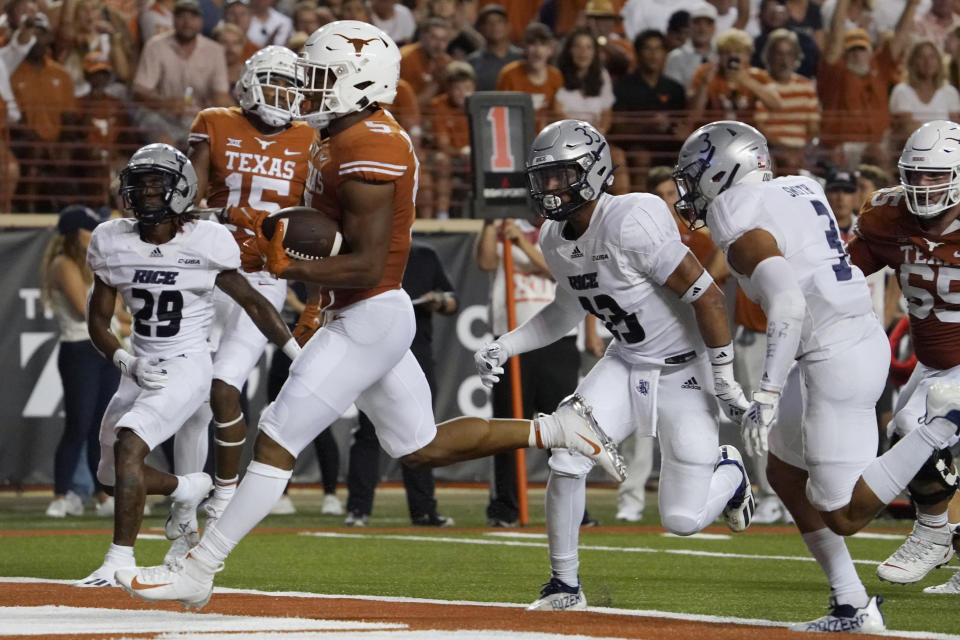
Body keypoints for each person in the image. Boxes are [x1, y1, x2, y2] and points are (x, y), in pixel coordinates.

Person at [115, 21, 625, 609]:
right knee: (421, 447)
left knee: (277, 437)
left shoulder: (371, 145)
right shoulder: (338, 134)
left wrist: (283, 268)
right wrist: (304, 290)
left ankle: (200, 569)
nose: (309, 86)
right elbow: (331, 246)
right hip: (357, 312)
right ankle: (560, 429)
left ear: (360, 81)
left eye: (322, 76)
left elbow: (364, 264)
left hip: (370, 312)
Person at [672, 120, 960, 631]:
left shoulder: (734, 211)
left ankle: (942, 426)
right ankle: (851, 604)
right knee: (784, 474)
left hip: (836, 353)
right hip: (837, 340)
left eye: (696, 175)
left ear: (727, 170)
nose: (690, 188)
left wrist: (767, 390)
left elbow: (787, 304)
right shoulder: (798, 184)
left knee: (844, 513)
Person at [476, 119, 756, 610]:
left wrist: (725, 377)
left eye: (560, 175)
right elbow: (566, 310)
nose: (549, 188)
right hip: (625, 362)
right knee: (566, 456)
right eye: (543, 177)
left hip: (683, 370)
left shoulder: (633, 218)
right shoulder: (553, 238)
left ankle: (729, 473)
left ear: (593, 171)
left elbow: (708, 298)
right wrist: (507, 344)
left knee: (682, 520)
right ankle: (564, 585)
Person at [75, 142, 300, 587]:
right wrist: (124, 359)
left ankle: (119, 558)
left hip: (187, 363)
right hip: (140, 365)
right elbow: (98, 320)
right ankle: (189, 487)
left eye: (156, 185)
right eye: (138, 185)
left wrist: (297, 354)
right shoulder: (110, 240)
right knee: (108, 476)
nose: (145, 194)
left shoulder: (208, 241)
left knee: (129, 448)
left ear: (180, 191)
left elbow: (254, 304)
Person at [167, 45, 314, 558]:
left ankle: (224, 493)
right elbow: (188, 193)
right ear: (250, 83)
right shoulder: (216, 122)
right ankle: (186, 504)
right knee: (190, 400)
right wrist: (220, 218)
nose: (282, 96)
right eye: (274, 84)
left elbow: (321, 218)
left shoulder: (310, 136)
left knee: (223, 385)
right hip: (209, 269)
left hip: (264, 276)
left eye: (290, 87)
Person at [845, 120, 960, 595]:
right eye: (916, 175)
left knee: (927, 431)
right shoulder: (887, 216)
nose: (923, 186)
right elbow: (847, 272)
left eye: (936, 176)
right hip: (935, 361)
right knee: (904, 431)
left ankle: (932, 535)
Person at [345, 240, 458, 527]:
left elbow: (451, 300)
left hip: (416, 351)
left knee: (420, 432)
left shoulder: (425, 254)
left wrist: (441, 301)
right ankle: (358, 509)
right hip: (375, 349)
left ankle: (423, 510)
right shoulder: (369, 251)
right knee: (369, 431)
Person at [42, 205, 120, 519]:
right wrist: (124, 320)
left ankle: (102, 496)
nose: (95, 234)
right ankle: (61, 495)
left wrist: (122, 320)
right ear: (77, 233)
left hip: (104, 348)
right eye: (90, 229)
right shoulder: (63, 264)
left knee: (102, 429)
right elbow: (84, 312)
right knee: (79, 424)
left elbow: (116, 311)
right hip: (79, 349)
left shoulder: (92, 264)